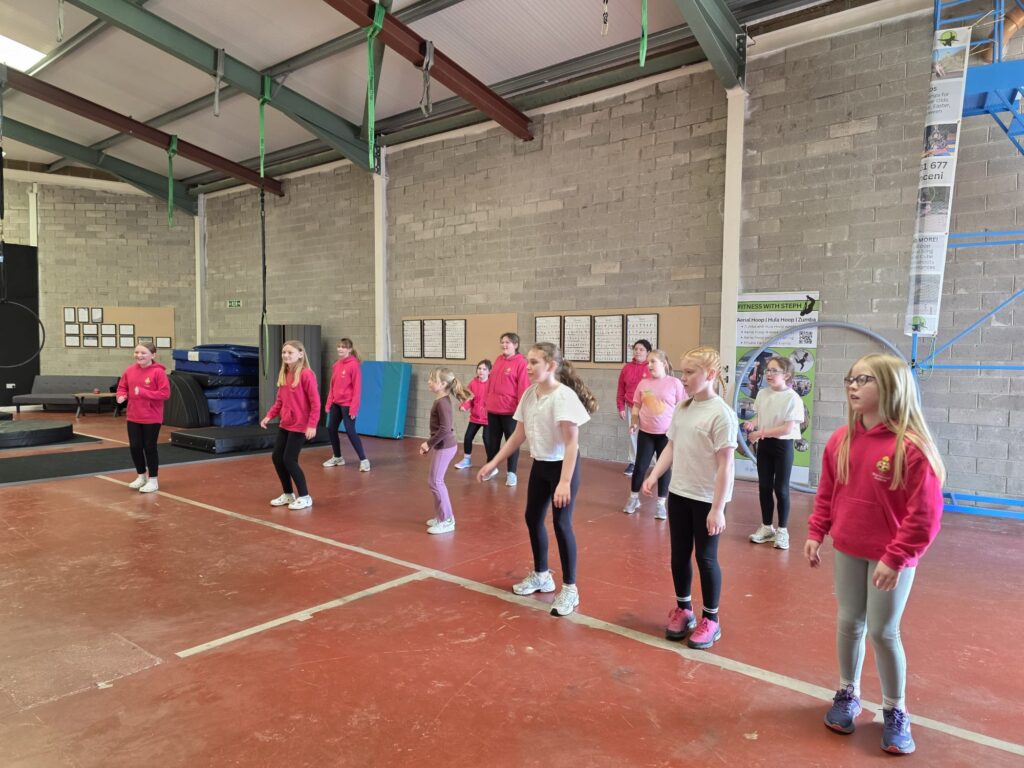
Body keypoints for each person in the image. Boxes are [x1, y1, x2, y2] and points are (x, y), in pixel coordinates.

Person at [805, 354, 944, 755]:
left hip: (890, 559)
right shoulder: (841, 440)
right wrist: (817, 531)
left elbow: (925, 515)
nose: (853, 386)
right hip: (849, 548)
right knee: (850, 621)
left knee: (883, 631)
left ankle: (895, 709)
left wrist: (896, 556)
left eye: (864, 379)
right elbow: (827, 492)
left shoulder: (911, 448)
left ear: (891, 387)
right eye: (850, 378)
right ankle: (847, 692)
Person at [478, 342, 597, 617]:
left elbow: (572, 444)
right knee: (532, 518)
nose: (528, 367)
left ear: (551, 366)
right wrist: (493, 462)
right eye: (528, 362)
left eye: (534, 363)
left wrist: (565, 482)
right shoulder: (530, 394)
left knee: (562, 523)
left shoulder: (564, 397)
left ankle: (570, 588)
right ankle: (542, 575)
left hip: (563, 467)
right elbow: (518, 435)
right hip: (540, 465)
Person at [642, 346, 737, 650]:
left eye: (689, 372)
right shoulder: (683, 408)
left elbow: (726, 465)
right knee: (679, 554)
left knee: (706, 558)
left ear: (710, 374)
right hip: (679, 493)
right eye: (682, 371)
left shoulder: (721, 414)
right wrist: (654, 475)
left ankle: (711, 619)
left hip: (707, 498)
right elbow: (671, 446)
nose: (683, 378)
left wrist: (718, 508)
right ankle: (684, 610)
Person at [743, 356, 805, 550]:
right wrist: (753, 423)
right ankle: (767, 527)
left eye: (774, 371)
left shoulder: (793, 398)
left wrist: (759, 433)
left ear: (786, 375)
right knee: (764, 487)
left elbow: (787, 429)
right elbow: (760, 416)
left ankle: (782, 531)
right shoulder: (762, 394)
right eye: (767, 370)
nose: (769, 374)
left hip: (782, 446)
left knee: (781, 488)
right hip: (765, 446)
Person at [623, 349, 685, 519]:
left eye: (653, 362)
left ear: (663, 364)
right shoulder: (643, 384)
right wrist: (634, 422)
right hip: (646, 433)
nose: (649, 365)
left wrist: (680, 428)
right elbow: (636, 406)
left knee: (663, 468)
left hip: (666, 435)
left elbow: (682, 407)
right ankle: (634, 498)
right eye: (648, 362)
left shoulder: (674, 383)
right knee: (640, 466)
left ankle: (660, 504)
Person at [260, 340, 321, 511]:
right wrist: (269, 416)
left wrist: (312, 425)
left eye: (290, 352)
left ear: (300, 354)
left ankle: (305, 497)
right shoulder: (285, 374)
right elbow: (280, 401)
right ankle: (288, 494)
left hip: (301, 425)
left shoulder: (307, 374)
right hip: (286, 423)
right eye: (284, 352)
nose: (286, 355)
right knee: (277, 457)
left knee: (289, 459)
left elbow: (315, 403)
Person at [420, 368, 473, 534]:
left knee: (436, 482)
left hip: (445, 447)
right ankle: (441, 516)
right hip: (442, 446)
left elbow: (445, 429)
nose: (429, 382)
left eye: (433, 379)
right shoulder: (440, 400)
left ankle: (447, 520)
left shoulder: (442, 403)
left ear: (443, 384)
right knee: (434, 481)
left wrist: (428, 444)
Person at [116, 342, 170, 494]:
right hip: (133, 416)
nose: (139, 355)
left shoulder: (158, 372)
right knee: (135, 447)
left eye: (143, 353)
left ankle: (153, 480)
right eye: (137, 352)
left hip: (151, 417)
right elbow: (122, 387)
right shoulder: (129, 371)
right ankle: (141, 476)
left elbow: (165, 394)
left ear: (153, 355)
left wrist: (143, 392)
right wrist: (121, 395)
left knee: (149, 447)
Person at [483, 332, 529, 486]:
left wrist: (521, 410)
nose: (504, 345)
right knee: (492, 442)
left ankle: (511, 473)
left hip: (510, 412)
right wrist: (486, 401)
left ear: (515, 345)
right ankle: (491, 468)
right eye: (502, 342)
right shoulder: (498, 359)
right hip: (493, 409)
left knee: (512, 442)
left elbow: (523, 388)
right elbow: (490, 383)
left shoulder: (521, 363)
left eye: (507, 342)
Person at [322, 338, 370, 472]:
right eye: (339, 346)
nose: (340, 349)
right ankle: (338, 457)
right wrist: (328, 403)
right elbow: (332, 385)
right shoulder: (336, 365)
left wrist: (354, 409)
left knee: (350, 431)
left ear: (349, 349)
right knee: (331, 429)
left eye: (343, 347)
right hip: (336, 403)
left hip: (348, 405)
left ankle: (364, 460)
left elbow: (357, 389)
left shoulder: (354, 365)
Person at [616, 339, 652, 475]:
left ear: (648, 352)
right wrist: (621, 407)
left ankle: (654, 464)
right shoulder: (627, 368)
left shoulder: (652, 367)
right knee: (633, 435)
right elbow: (621, 389)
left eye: (641, 349)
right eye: (636, 349)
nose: (638, 352)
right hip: (632, 407)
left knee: (651, 435)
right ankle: (634, 462)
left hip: (649, 408)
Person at [454, 359, 491, 469]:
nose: (481, 371)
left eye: (484, 369)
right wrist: (464, 406)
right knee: (468, 437)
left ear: (489, 371)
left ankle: (491, 463)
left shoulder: (492, 384)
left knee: (487, 439)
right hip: (475, 417)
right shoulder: (473, 383)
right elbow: (468, 399)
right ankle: (467, 460)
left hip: (488, 418)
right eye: (479, 368)